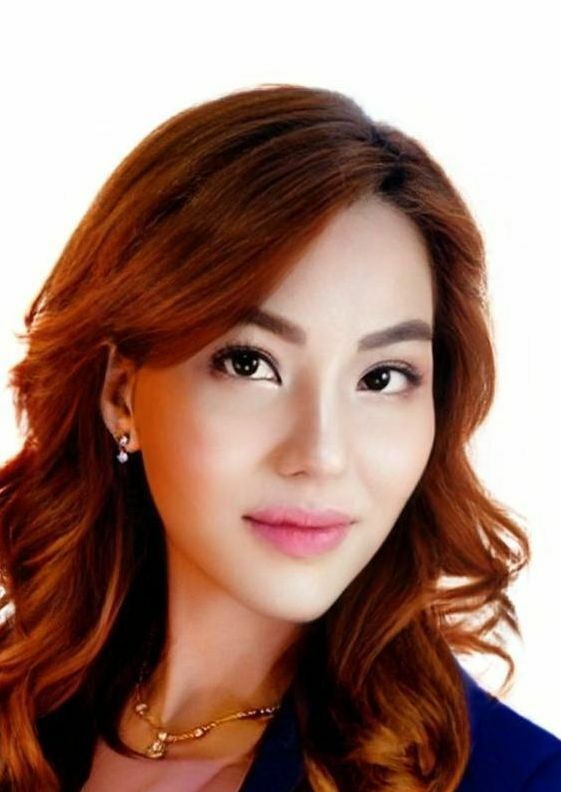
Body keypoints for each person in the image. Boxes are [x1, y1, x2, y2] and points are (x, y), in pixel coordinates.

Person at [0, 83, 559, 792]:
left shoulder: (516, 779)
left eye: (382, 377)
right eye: (250, 364)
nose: (320, 455)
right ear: (120, 392)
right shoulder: (23, 710)